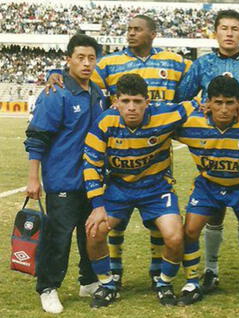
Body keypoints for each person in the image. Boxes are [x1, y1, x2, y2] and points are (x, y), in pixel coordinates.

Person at [173, 10, 239, 294]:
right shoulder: (203, 63)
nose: (229, 33)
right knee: (214, 212)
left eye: (235, 28)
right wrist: (200, 107)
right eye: (224, 28)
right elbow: (181, 98)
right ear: (215, 33)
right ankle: (211, 270)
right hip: (213, 143)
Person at [82, 74, 194, 308]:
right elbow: (91, 163)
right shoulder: (105, 122)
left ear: (147, 101)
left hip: (156, 189)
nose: (131, 107)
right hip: (119, 189)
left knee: (175, 236)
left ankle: (164, 283)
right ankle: (107, 284)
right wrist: (97, 206)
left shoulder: (166, 115)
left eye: (137, 101)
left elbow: (200, 103)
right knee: (93, 232)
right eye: (125, 101)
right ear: (115, 101)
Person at [24, 34, 104, 314]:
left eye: (91, 58)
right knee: (58, 238)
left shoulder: (97, 93)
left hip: (92, 182)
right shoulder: (55, 93)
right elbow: (36, 138)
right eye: (80, 57)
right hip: (62, 180)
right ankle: (48, 287)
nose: (86, 63)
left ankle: (89, 281)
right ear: (68, 60)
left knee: (90, 234)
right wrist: (33, 179)